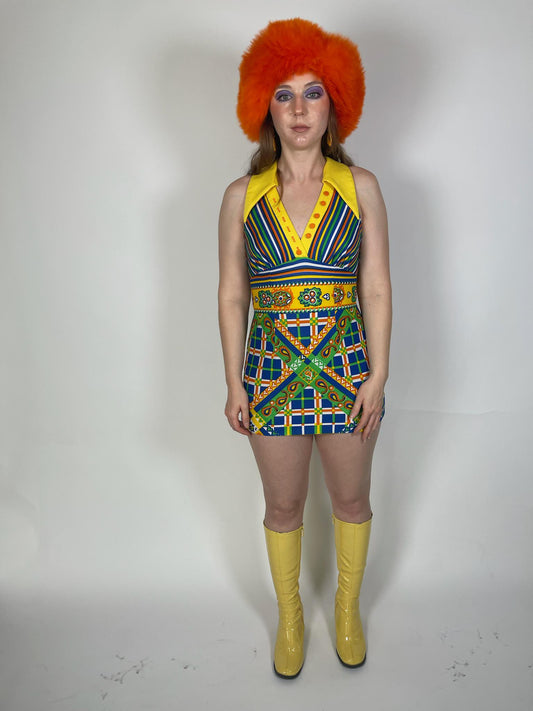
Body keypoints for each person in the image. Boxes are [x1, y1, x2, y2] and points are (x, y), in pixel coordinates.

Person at [218, 18, 392, 679]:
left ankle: (346, 610)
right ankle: (290, 617)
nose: (298, 109)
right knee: (283, 506)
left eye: (312, 92)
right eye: (283, 93)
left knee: (351, 501)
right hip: (269, 375)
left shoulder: (360, 186)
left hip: (347, 372)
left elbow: (375, 287)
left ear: (334, 102)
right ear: (262, 103)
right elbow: (232, 295)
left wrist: (378, 375)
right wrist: (235, 382)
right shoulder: (241, 197)